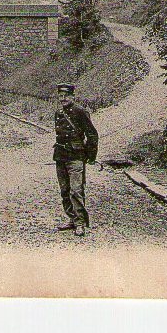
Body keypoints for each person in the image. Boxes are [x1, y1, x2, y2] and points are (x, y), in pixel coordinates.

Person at [52, 84, 99, 237]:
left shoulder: (80, 112)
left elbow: (92, 134)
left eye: (66, 95)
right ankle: (72, 219)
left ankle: (80, 223)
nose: (63, 99)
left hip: (76, 157)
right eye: (60, 96)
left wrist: (91, 156)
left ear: (72, 97)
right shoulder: (58, 113)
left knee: (76, 190)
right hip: (61, 156)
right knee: (64, 190)